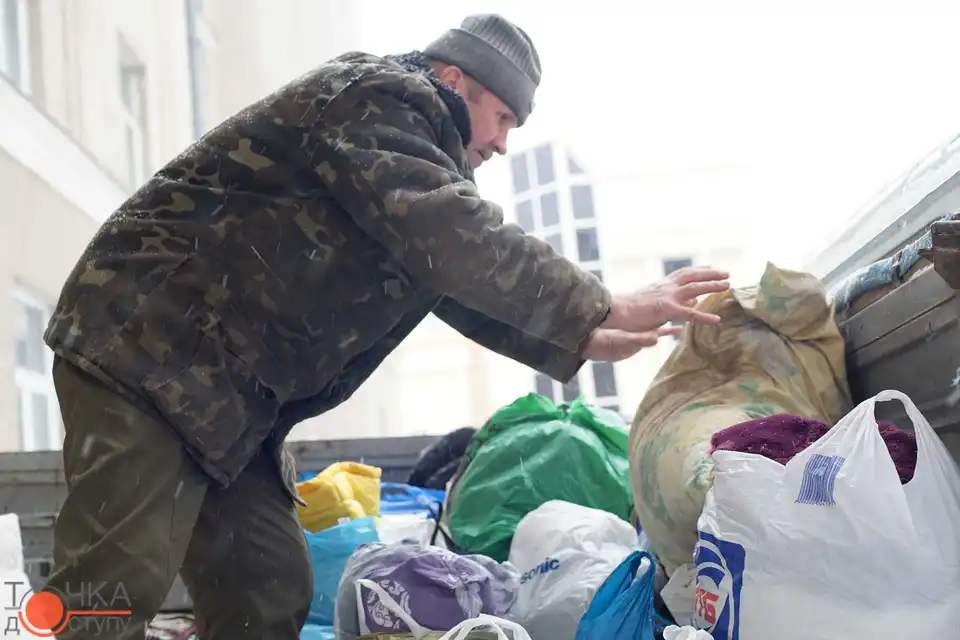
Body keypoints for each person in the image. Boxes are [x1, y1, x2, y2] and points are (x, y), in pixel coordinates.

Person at [41, 13, 729, 639]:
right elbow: (450, 234)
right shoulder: (377, 96)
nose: (502, 142)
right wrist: (600, 303)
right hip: (147, 351)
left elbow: (447, 275)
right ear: (453, 79)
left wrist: (580, 334)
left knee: (266, 589)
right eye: (502, 117)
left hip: (227, 397)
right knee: (108, 590)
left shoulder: (408, 161)